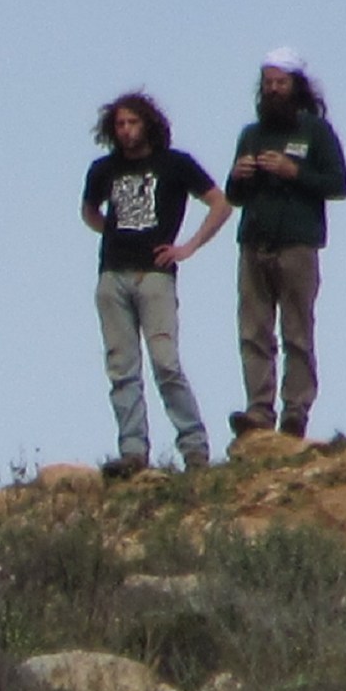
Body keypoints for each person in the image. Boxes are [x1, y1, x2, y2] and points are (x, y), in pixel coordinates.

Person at [81, 91, 231, 476]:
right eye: (119, 124)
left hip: (155, 276)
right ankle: (133, 451)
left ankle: (194, 448)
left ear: (147, 124)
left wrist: (188, 247)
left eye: (132, 122)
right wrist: (112, 232)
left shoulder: (174, 164)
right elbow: (89, 211)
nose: (126, 130)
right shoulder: (103, 169)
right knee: (122, 368)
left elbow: (220, 203)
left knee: (166, 363)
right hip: (112, 274)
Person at [226, 47, 346, 439]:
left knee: (297, 331)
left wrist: (293, 171)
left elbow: (338, 184)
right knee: (253, 331)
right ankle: (258, 411)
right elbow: (233, 197)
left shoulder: (315, 132)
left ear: (295, 86)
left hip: (298, 243)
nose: (274, 89)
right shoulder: (251, 134)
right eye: (268, 83)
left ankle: (296, 410)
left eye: (281, 83)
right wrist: (239, 175)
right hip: (254, 243)